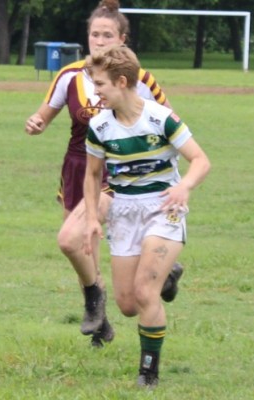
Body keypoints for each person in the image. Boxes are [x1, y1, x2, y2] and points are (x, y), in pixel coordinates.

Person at [24, 0, 183, 347]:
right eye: (94, 34)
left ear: (122, 39)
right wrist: (35, 124)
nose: (99, 41)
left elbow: (168, 126)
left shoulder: (138, 79)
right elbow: (43, 116)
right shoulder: (69, 76)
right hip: (78, 167)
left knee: (75, 238)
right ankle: (102, 319)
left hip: (118, 172)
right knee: (82, 249)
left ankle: (106, 296)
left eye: (107, 35)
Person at [82, 45, 210, 388]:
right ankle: (169, 276)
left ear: (122, 82)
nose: (95, 91)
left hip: (163, 207)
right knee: (126, 304)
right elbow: (93, 176)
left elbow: (201, 160)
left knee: (144, 291)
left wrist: (184, 188)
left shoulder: (160, 118)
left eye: (100, 85)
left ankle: (148, 373)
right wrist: (93, 217)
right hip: (124, 211)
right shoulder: (99, 126)